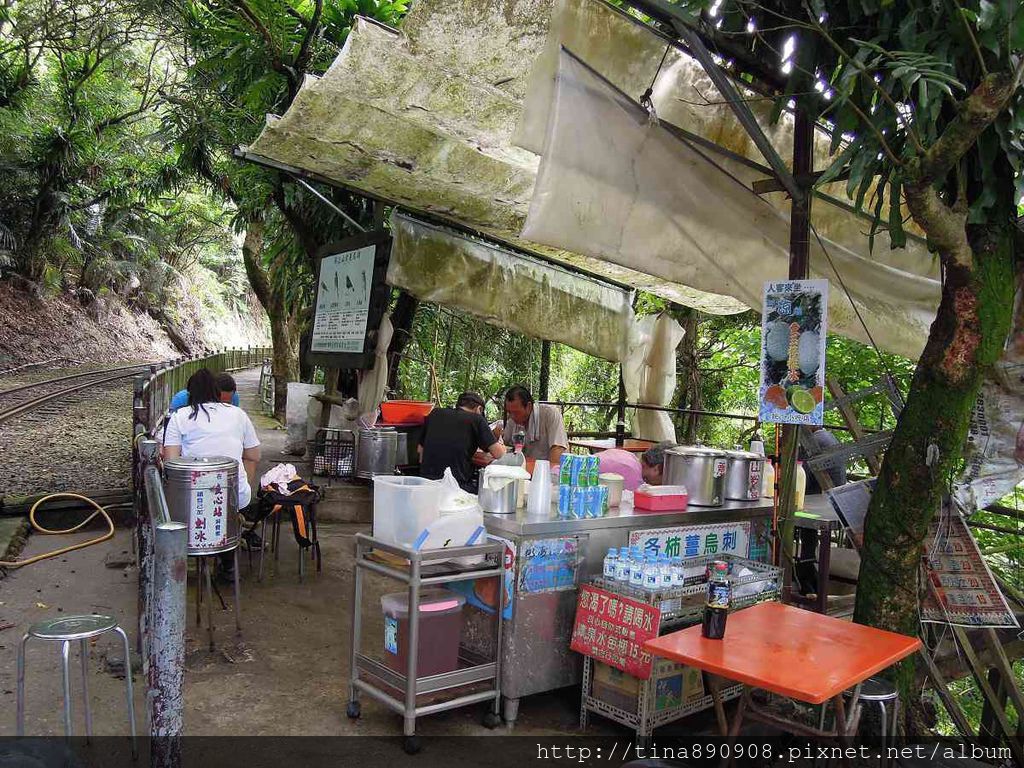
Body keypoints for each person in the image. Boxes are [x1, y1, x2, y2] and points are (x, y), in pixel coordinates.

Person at [162, 368, 261, 578]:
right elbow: (253, 456)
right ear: (217, 392)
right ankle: (227, 560)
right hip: (234, 496)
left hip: (192, 500)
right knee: (225, 505)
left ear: (190, 394)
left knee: (192, 499)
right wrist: (244, 487)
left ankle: (189, 554)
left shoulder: (180, 416)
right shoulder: (238, 414)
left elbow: (172, 463)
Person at [418, 392, 506, 493]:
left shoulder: (435, 413)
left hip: (426, 484)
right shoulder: (477, 420)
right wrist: (502, 444)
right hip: (456, 487)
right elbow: (499, 454)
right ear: (479, 409)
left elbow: (420, 452)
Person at [501, 385, 569, 465]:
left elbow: (558, 450)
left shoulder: (549, 414)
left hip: (546, 471)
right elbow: (503, 446)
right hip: (524, 471)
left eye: (516, 413)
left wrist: (546, 473)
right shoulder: (512, 421)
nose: (512, 417)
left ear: (529, 406)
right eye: (509, 412)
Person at [169, 371, 240, 411]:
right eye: (218, 401)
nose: (222, 406)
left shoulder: (235, 397)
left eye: (227, 403)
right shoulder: (180, 400)